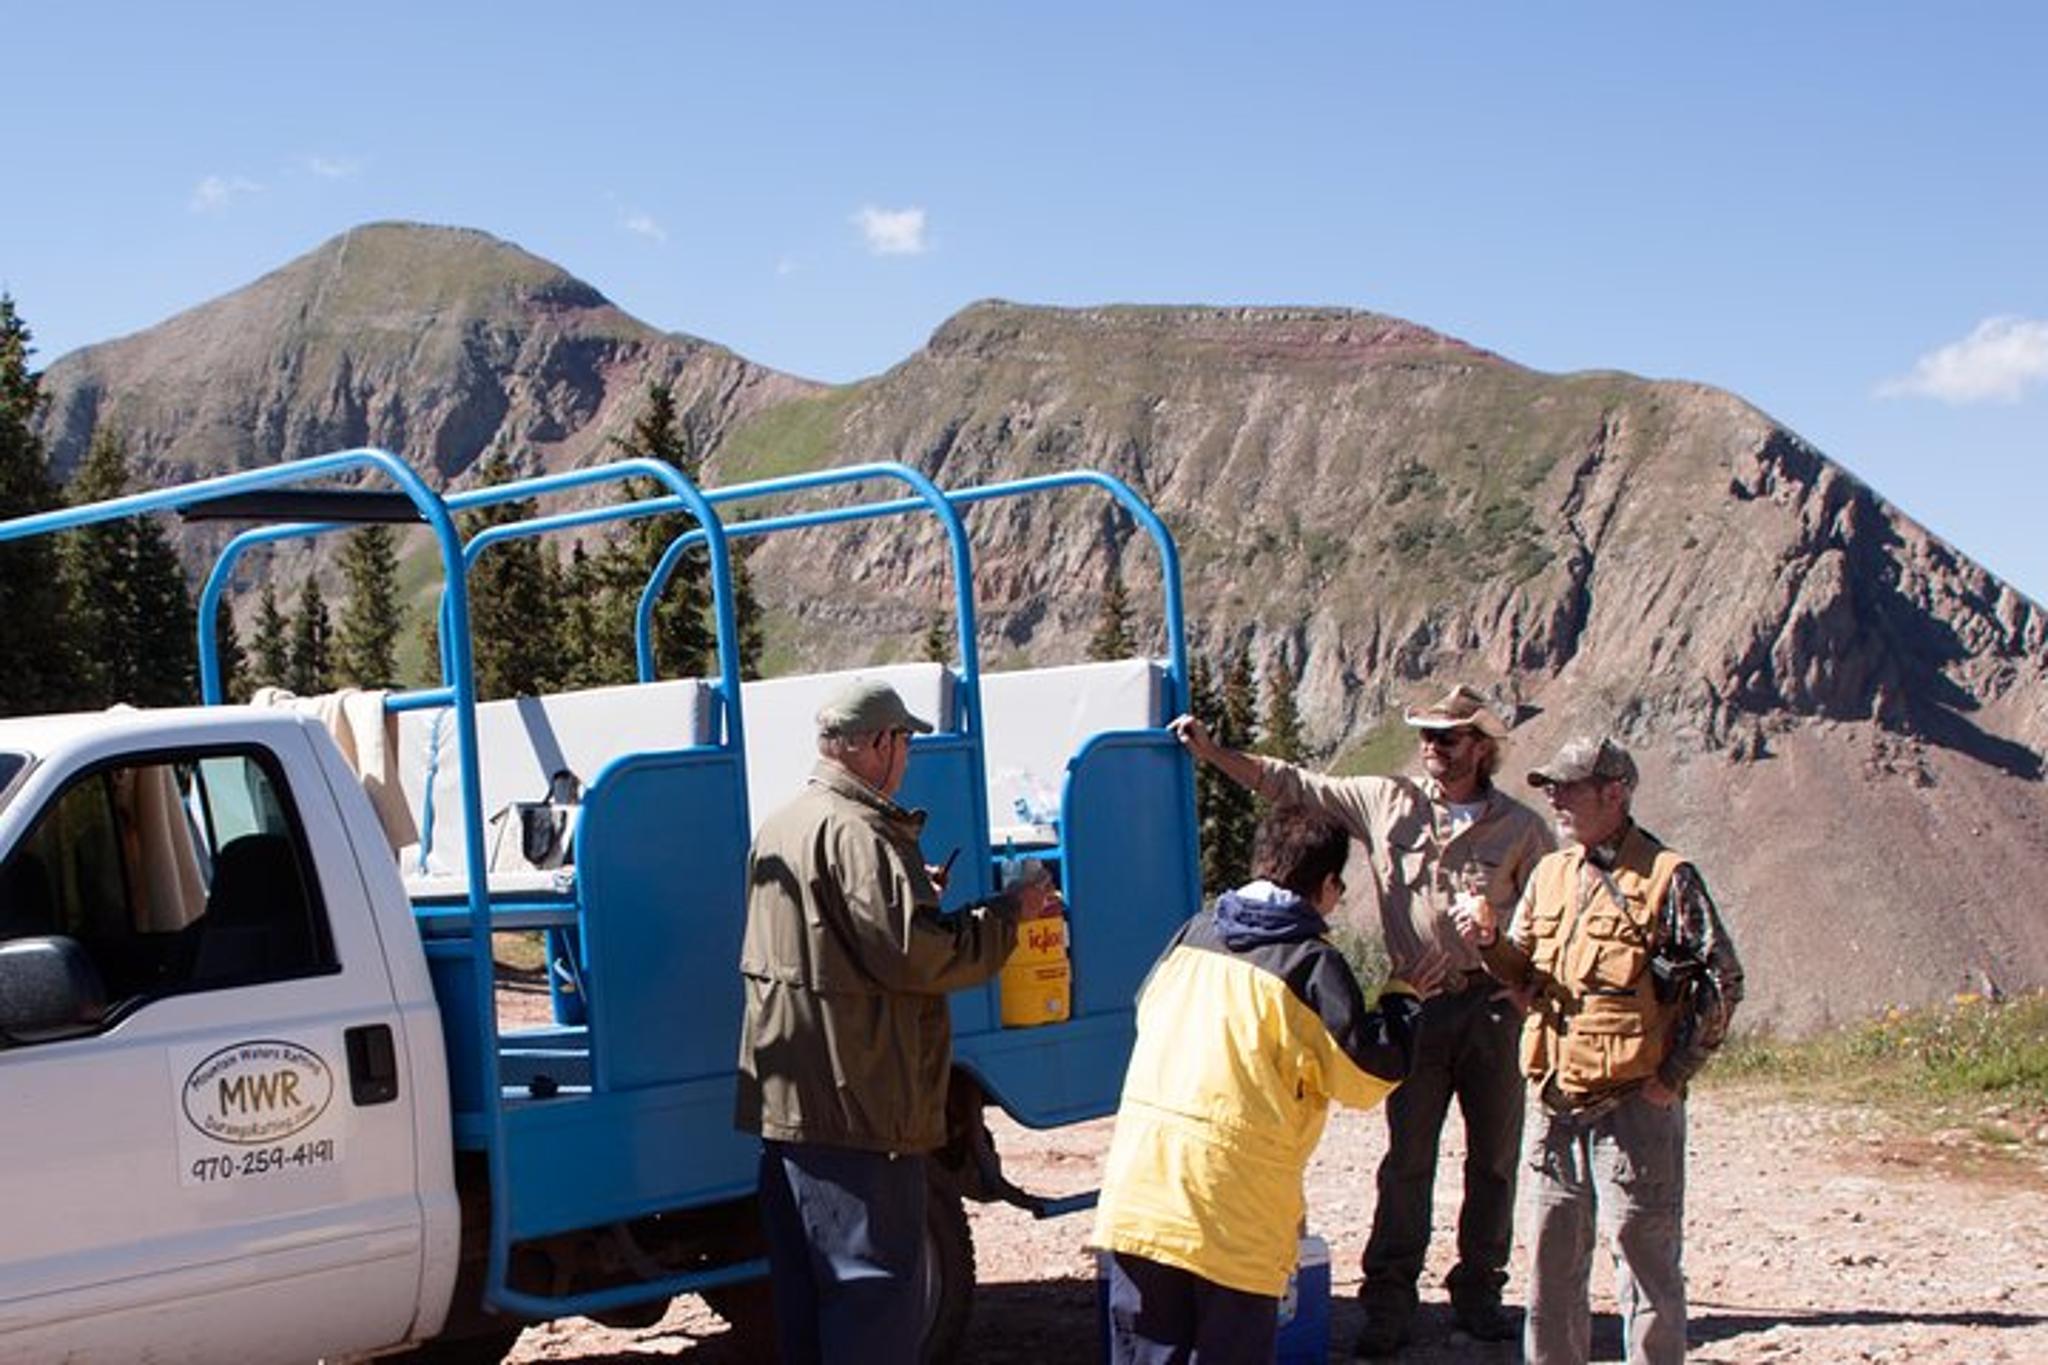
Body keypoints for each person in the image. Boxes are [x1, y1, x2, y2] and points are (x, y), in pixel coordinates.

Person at [1171, 683, 1553, 1354]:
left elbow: (1551, 913)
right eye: (1427, 733)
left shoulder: (1522, 828)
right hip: (1417, 1003)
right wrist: (1213, 751)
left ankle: (1480, 1292)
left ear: (1481, 747)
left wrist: (1531, 986)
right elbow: (1292, 784)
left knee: (1494, 1157)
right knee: (1408, 1158)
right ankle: (1390, 1301)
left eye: (1448, 735)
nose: (1432, 745)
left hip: (1493, 1009)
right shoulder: (1385, 800)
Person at [734, 678, 1051, 1364]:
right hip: (863, 1106)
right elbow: (921, 958)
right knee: (872, 1301)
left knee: (807, 1304)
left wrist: (915, 897)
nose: (907, 754)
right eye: (904, 739)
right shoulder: (865, 833)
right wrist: (1007, 914)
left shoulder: (783, 822)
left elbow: (831, 940)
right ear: (877, 743)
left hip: (790, 1103)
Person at [1092, 807, 1447, 1364]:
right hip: (1235, 1215)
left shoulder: (1193, 933)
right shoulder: (1309, 966)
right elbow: (1365, 1077)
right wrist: (1401, 1002)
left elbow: (1146, 1011)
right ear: (1328, 885)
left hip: (1142, 1195)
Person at [1452, 736, 1744, 1365]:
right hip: (1556, 1102)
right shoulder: (1552, 874)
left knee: (1645, 1263)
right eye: (1549, 786)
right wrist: (1489, 940)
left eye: (1568, 785)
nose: (1553, 797)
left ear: (1615, 792)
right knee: (1551, 1269)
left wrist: (1673, 1076)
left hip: (1633, 1106)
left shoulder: (1668, 877)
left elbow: (1722, 981)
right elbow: (1524, 974)